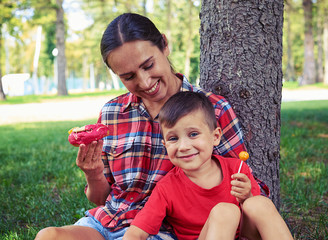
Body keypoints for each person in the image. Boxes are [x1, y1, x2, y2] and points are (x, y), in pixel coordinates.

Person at [35, 13, 285, 240]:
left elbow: (242, 181)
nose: (144, 82)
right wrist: (93, 173)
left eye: (148, 65)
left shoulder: (212, 109)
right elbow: (102, 198)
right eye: (128, 77)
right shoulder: (112, 114)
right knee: (48, 236)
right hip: (107, 224)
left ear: (164, 45)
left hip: (162, 232)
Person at [122, 92, 293, 240]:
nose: (183, 146)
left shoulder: (237, 169)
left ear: (216, 136)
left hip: (244, 234)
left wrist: (246, 195)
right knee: (225, 211)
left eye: (193, 134)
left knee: (259, 203)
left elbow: (253, 216)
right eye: (173, 138)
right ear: (165, 145)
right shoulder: (166, 188)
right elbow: (137, 232)